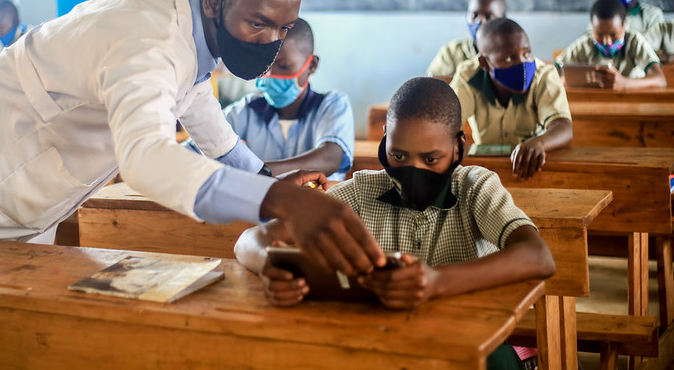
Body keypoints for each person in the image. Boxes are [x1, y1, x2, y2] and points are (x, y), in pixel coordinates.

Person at [0, 0, 385, 278]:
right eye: (259, 24)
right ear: (216, 4)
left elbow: (191, 89)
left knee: (8, 309)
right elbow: (146, 158)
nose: (273, 43)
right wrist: (276, 201)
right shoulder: (147, 44)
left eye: (284, 28)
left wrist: (259, 175)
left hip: (38, 157)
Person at [234, 77, 555, 370]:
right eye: (399, 157)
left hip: (471, 343)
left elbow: (538, 257)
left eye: (430, 159)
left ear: (458, 147)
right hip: (385, 345)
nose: (412, 171)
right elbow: (249, 240)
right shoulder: (362, 191)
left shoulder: (474, 186)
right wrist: (268, 264)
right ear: (384, 141)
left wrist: (435, 283)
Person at [191, 18, 354, 181]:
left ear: (311, 65)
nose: (270, 75)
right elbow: (192, 150)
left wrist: (259, 172)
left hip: (317, 204)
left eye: (283, 66)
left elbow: (330, 158)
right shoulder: (246, 111)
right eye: (265, 66)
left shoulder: (332, 105)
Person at [449, 18, 573, 179]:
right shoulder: (468, 75)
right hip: (485, 170)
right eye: (508, 58)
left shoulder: (543, 75)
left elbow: (563, 128)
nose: (522, 64)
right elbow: (447, 125)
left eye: (526, 53)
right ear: (485, 63)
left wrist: (538, 143)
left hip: (531, 167)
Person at [556, 0, 666, 89]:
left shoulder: (635, 41)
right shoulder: (584, 44)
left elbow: (660, 80)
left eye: (613, 35)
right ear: (592, 28)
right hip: (594, 104)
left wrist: (624, 83)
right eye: (599, 35)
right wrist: (562, 80)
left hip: (633, 101)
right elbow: (553, 71)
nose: (607, 41)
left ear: (624, 25)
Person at [426, 0, 507, 77]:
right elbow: (431, 82)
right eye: (474, 15)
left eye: (488, 17)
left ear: (503, 19)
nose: (479, 21)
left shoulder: (511, 52)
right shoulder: (452, 51)